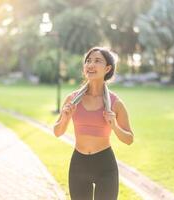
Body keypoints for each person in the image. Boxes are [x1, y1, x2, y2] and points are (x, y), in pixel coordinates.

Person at [53, 47, 134, 200]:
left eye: (97, 61)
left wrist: (114, 125)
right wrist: (65, 117)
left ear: (107, 68)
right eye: (88, 61)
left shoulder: (115, 103)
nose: (91, 65)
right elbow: (57, 132)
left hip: (105, 166)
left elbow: (129, 139)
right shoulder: (72, 99)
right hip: (79, 164)